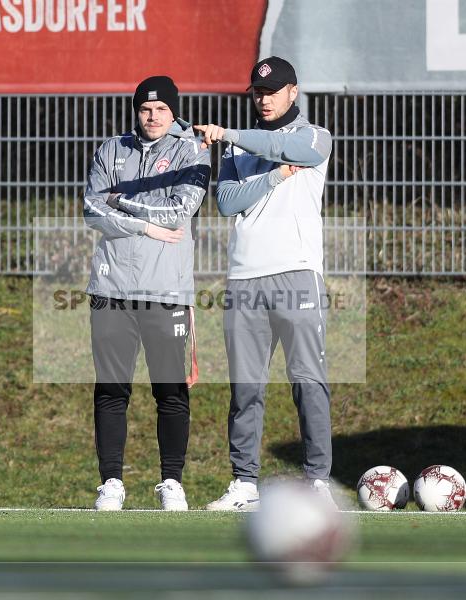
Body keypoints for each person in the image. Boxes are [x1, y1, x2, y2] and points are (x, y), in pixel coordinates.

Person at [194, 57, 335, 511]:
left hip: (296, 271)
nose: (264, 98)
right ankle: (244, 483)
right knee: (246, 387)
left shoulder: (315, 136)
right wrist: (273, 176)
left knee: (307, 380)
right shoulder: (239, 150)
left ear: (293, 92)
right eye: (258, 91)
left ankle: (316, 481)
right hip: (244, 277)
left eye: (273, 90)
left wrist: (229, 133)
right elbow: (227, 201)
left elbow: (297, 153)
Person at [83, 76, 210, 511]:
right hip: (111, 287)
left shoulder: (191, 148)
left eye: (160, 109)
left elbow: (180, 210)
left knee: (170, 391)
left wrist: (124, 201)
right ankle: (111, 482)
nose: (152, 117)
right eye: (144, 109)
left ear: (173, 111)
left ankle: (171, 482)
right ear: (136, 111)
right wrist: (143, 224)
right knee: (111, 389)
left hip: (166, 290)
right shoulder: (110, 149)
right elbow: (92, 209)